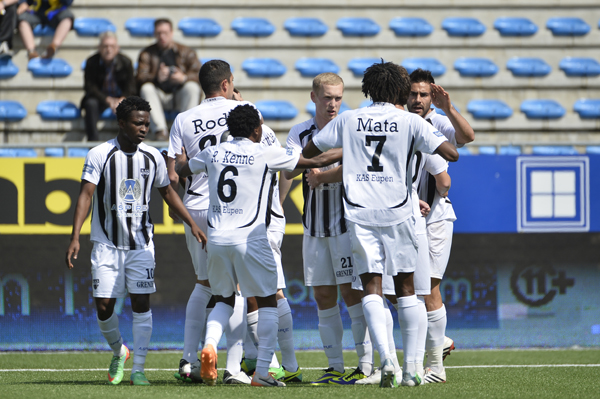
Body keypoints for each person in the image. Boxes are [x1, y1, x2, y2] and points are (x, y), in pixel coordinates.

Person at [302, 61, 459, 387]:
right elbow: (451, 153)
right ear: (400, 90)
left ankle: (387, 360)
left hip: (360, 215)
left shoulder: (349, 118)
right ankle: (413, 368)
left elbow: (313, 148)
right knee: (407, 291)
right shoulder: (409, 121)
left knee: (370, 289)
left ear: (368, 88)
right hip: (400, 213)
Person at [65, 96, 206, 386]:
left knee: (141, 305)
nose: (143, 128)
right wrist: (75, 236)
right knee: (104, 307)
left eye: (146, 123)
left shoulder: (153, 156)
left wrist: (191, 223)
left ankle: (138, 368)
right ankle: (120, 351)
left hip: (141, 245)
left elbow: (167, 193)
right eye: (137, 123)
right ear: (121, 124)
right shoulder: (99, 154)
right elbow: (86, 196)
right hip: (105, 244)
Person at [174, 104, 315, 387]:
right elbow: (306, 162)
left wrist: (185, 160)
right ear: (256, 129)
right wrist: (347, 152)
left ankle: (210, 345)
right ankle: (263, 372)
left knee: (224, 299)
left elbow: (181, 167)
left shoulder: (214, 152)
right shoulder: (264, 151)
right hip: (251, 239)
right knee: (267, 303)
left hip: (216, 240)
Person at [167, 60, 259, 385]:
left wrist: (178, 207)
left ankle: (188, 361)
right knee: (236, 289)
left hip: (193, 208)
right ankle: (233, 368)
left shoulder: (183, 118)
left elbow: (174, 173)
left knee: (204, 283)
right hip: (230, 210)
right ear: (226, 84)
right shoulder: (244, 110)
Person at [283, 72, 375, 386]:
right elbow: (290, 170)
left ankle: (365, 364)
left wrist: (320, 163)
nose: (333, 104)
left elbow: (360, 159)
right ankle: (334, 365)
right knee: (323, 295)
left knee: (353, 293)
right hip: (313, 226)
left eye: (338, 98)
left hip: (347, 226)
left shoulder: (352, 125)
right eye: (327, 98)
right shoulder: (300, 131)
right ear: (314, 98)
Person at [406, 68, 475, 383]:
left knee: (428, 286)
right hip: (406, 215)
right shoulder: (403, 123)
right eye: (413, 93)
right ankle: (440, 343)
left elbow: (467, 137)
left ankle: (435, 365)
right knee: (406, 289)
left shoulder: (438, 122)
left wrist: (448, 107)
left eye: (423, 94)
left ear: (431, 95)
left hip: (433, 216)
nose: (418, 99)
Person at [137, 18, 201, 141]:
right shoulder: (147, 53)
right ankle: (161, 131)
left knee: (192, 87)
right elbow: (140, 77)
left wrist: (184, 77)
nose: (162, 36)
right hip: (158, 98)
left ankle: (185, 131)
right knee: (146, 88)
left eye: (165, 33)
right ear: (154, 34)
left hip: (180, 95)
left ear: (172, 33)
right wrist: (156, 78)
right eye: (158, 33)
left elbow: (200, 74)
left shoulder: (187, 52)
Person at [81, 32, 135, 141]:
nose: (108, 49)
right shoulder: (91, 62)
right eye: (105, 46)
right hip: (100, 99)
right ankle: (93, 143)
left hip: (121, 98)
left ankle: (130, 142)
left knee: (133, 106)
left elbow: (131, 86)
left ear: (117, 48)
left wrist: (123, 99)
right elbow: (89, 87)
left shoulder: (126, 62)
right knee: (90, 104)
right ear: (99, 48)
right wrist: (107, 99)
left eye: (112, 46)